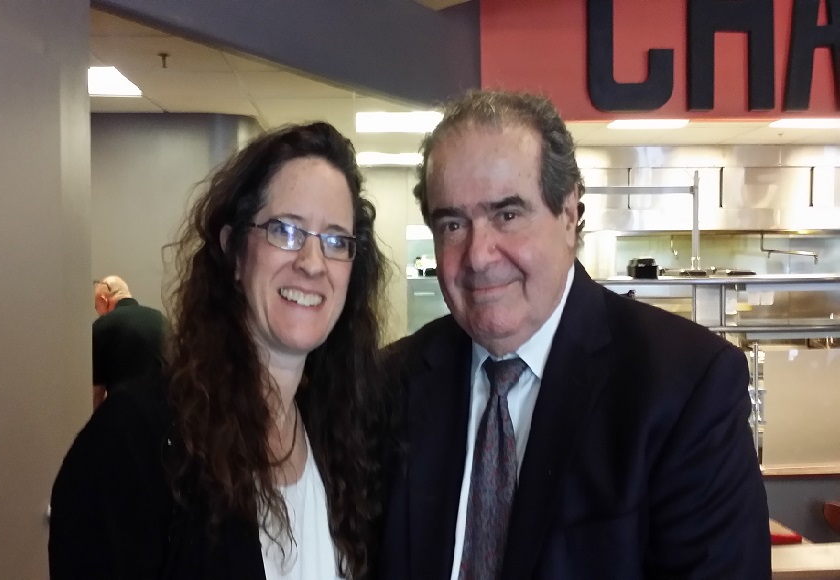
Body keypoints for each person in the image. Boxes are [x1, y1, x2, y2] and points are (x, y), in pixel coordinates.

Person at [378, 90, 771, 579]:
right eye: (453, 224)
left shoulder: (685, 389)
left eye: (508, 214)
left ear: (568, 214)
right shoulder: (389, 385)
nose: (478, 255)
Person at [50, 121, 391, 579]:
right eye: (285, 230)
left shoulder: (341, 436)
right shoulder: (136, 441)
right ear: (233, 251)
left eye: (335, 240)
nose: (312, 264)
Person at [91, 275, 167, 411]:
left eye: (96, 306)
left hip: (124, 417)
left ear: (104, 299)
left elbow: (97, 393)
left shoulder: (102, 326)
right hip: (164, 417)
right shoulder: (161, 319)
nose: (98, 312)